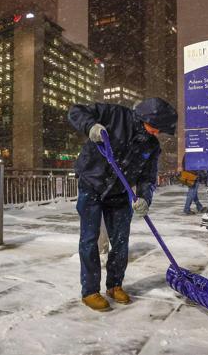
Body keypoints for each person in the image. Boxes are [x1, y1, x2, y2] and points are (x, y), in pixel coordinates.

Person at [68, 97, 177, 312]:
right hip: (92, 183)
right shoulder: (114, 115)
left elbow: (148, 176)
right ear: (145, 118)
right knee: (89, 239)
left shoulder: (151, 145)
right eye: (155, 127)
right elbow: (75, 111)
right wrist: (91, 126)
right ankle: (90, 290)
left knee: (120, 241)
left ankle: (114, 285)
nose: (156, 133)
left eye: (159, 130)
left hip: (119, 192)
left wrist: (145, 197)